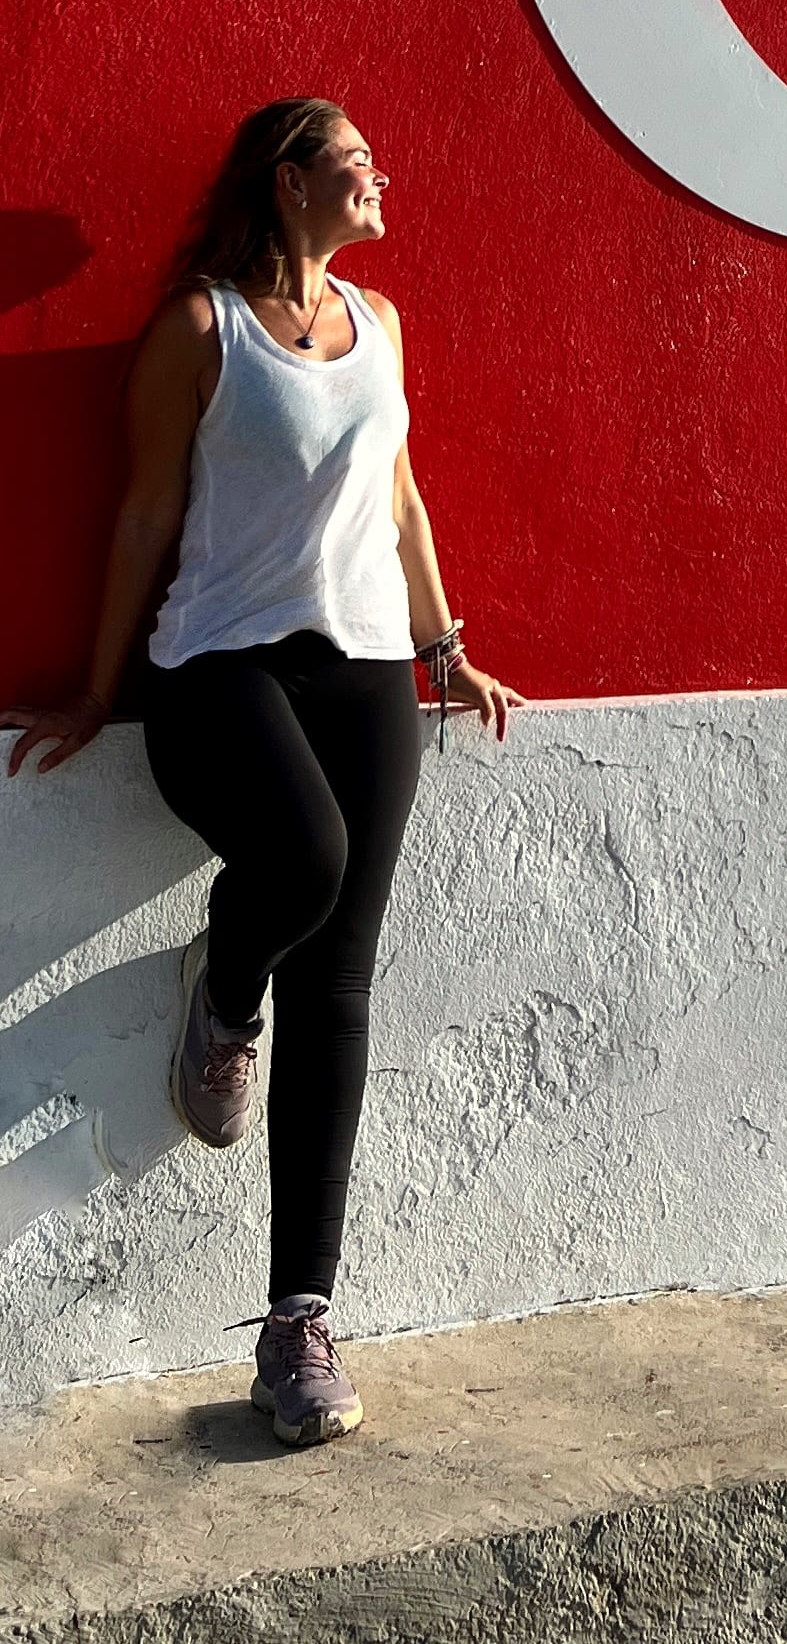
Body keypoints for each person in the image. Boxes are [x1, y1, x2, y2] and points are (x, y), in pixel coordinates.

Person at [5, 99, 515, 1446]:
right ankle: (224, 994)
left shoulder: (380, 322)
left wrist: (445, 650)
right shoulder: (202, 330)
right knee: (306, 861)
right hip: (219, 670)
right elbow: (143, 512)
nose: (380, 173)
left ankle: (298, 1324)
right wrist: (100, 688)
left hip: (367, 669)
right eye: (354, 160)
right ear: (290, 182)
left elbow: (398, 497)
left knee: (340, 981)